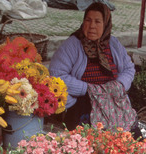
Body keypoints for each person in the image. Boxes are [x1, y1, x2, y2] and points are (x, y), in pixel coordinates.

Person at [49, 2, 137, 131]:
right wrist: (88, 89)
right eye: (88, 20)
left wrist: (119, 85)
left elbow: (129, 68)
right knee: (89, 137)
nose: (92, 26)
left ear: (106, 24)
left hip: (112, 98)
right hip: (84, 101)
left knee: (130, 134)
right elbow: (56, 74)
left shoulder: (113, 43)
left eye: (97, 22)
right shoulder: (72, 45)